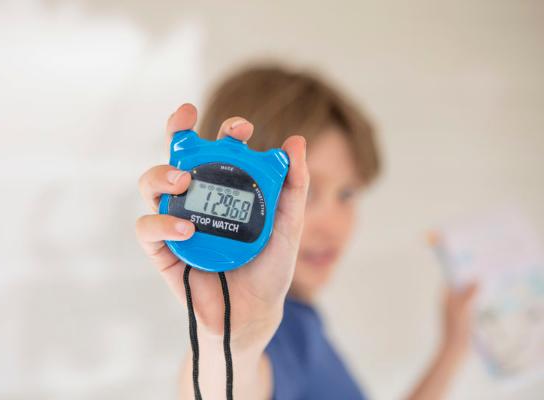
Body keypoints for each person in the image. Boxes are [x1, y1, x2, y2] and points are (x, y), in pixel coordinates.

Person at [136, 66, 478, 399]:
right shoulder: (278, 335)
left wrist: (453, 348)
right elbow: (225, 386)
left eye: (346, 194)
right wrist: (228, 341)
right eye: (307, 193)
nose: (333, 226)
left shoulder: (300, 323)